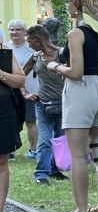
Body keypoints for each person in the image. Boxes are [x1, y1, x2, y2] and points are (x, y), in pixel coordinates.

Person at [48, 0, 98, 212]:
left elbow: (75, 73)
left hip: (80, 92)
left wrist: (55, 67)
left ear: (78, 5)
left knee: (78, 155)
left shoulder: (76, 33)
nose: (67, 4)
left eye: (68, 1)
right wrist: (88, 68)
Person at [22, 25, 68, 184]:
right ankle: (41, 174)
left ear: (38, 39)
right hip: (43, 106)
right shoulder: (34, 57)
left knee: (61, 140)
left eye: (30, 41)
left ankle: (54, 169)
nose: (28, 45)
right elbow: (20, 76)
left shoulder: (63, 54)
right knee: (45, 140)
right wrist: (26, 93)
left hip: (64, 106)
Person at [0, 42, 26, 212]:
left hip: (3, 110)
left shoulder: (4, 53)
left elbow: (19, 81)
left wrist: (1, 73)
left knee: (1, 162)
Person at [8, 19, 38, 159]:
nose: (14, 32)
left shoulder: (31, 48)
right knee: (10, 121)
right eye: (12, 29)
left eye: (18, 29)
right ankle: (9, 150)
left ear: (24, 32)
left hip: (30, 90)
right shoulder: (5, 48)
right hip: (10, 91)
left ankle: (33, 149)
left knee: (30, 120)